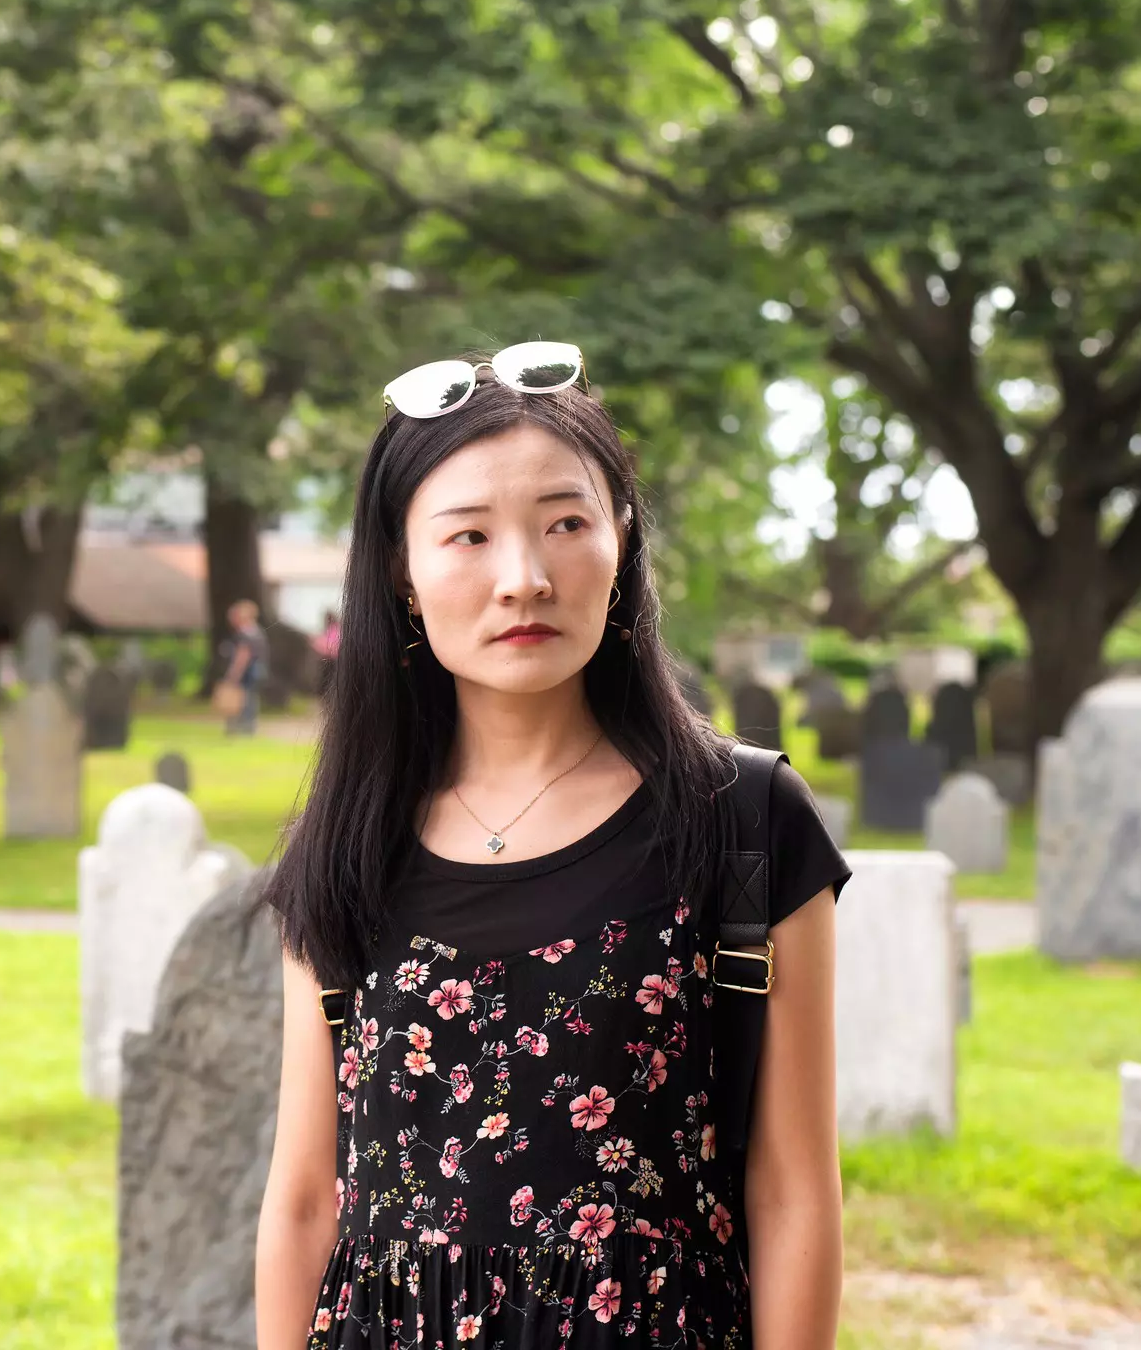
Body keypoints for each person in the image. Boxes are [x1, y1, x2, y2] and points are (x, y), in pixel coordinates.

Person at [253, 345, 848, 1349]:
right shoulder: (342, 846)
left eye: (564, 524)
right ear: (401, 573)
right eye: (467, 537)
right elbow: (310, 1198)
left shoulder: (743, 818)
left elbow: (794, 1194)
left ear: (620, 541)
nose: (523, 579)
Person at [221, 599, 269, 736]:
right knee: (251, 698)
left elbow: (243, 656)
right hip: (258, 671)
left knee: (243, 699)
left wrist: (233, 674)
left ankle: (242, 727)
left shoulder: (244, 633)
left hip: (247, 672)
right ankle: (249, 726)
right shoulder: (257, 631)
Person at [310, 609, 341, 698]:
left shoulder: (334, 629)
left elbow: (331, 647)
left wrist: (316, 644)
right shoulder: (331, 630)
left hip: (332, 662)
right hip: (331, 662)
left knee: (327, 684)